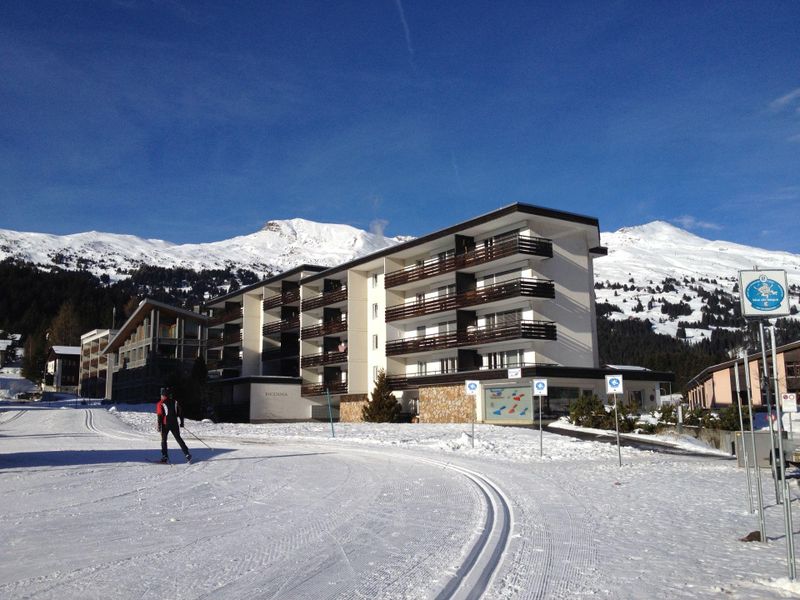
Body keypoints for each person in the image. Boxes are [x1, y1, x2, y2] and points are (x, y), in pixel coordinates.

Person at [156, 387, 191, 463]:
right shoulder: (175, 402)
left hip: (165, 424)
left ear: (162, 395)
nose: (160, 396)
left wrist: (159, 426)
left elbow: (160, 415)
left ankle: (164, 457)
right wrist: (182, 423)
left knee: (164, 440)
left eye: (161, 394)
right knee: (178, 439)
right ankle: (187, 454)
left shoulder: (160, 403)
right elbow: (181, 413)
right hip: (175, 423)